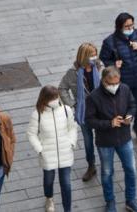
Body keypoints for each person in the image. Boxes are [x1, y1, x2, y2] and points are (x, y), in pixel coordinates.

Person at [85, 66, 137, 212]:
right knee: (107, 173)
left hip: (124, 138)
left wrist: (130, 116)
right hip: (105, 142)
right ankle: (110, 202)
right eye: (111, 84)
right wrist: (109, 123)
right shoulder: (94, 97)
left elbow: (132, 105)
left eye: (116, 83)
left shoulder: (124, 89)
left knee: (130, 169)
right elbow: (90, 121)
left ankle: (130, 200)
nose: (114, 86)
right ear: (104, 81)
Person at [100, 12, 137, 144]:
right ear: (119, 27)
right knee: (125, 110)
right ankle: (125, 132)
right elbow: (104, 58)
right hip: (124, 83)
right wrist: (114, 65)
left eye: (132, 26)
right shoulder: (110, 42)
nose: (130, 29)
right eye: (127, 26)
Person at [26, 85, 77, 212]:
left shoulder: (66, 110)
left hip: (65, 152)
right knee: (48, 180)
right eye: (53, 98)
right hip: (47, 154)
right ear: (45, 99)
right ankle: (49, 198)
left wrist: (71, 142)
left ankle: (68, 209)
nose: (56, 99)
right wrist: (40, 149)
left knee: (66, 184)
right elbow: (31, 134)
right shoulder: (37, 114)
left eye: (57, 96)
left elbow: (72, 127)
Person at [58, 42, 102, 182]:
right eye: (91, 55)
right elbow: (62, 88)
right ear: (84, 56)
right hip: (84, 111)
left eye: (95, 54)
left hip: (101, 109)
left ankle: (106, 163)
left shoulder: (100, 67)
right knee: (88, 141)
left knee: (102, 138)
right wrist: (72, 103)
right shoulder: (73, 72)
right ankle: (91, 165)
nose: (94, 57)